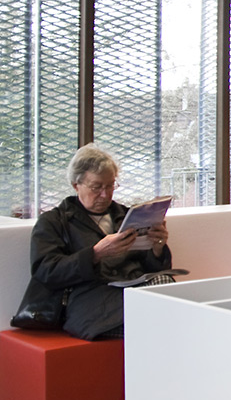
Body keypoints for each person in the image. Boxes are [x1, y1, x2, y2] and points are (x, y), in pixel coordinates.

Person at [30, 144, 173, 340]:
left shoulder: (127, 215)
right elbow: (46, 272)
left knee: (165, 285)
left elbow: (153, 269)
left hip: (133, 292)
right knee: (161, 320)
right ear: (76, 185)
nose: (105, 195)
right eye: (97, 187)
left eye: (110, 186)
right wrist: (96, 254)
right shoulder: (55, 221)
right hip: (90, 303)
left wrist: (157, 248)